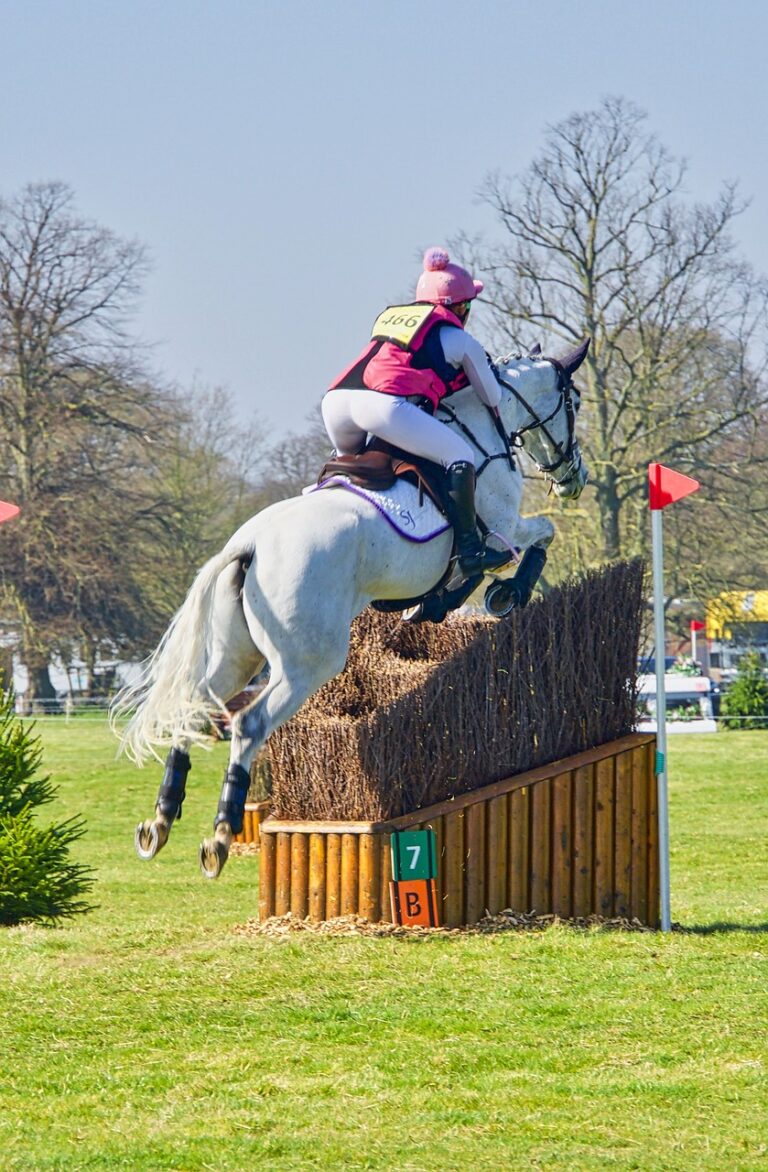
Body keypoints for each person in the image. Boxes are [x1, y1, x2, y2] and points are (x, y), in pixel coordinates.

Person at [322, 247, 510, 576]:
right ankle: (471, 550)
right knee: (461, 455)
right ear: (460, 307)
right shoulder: (457, 338)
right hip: (381, 406)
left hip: (335, 402)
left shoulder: (397, 321)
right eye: (469, 305)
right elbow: (492, 395)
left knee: (351, 474)